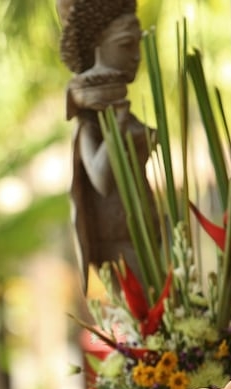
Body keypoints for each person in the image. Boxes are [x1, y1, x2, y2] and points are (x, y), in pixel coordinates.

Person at [58, 0, 156, 287]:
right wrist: (119, 128)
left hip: (147, 233)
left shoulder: (122, 111)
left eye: (138, 45)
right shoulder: (90, 124)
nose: (136, 56)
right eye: (127, 45)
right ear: (98, 48)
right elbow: (101, 178)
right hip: (118, 245)